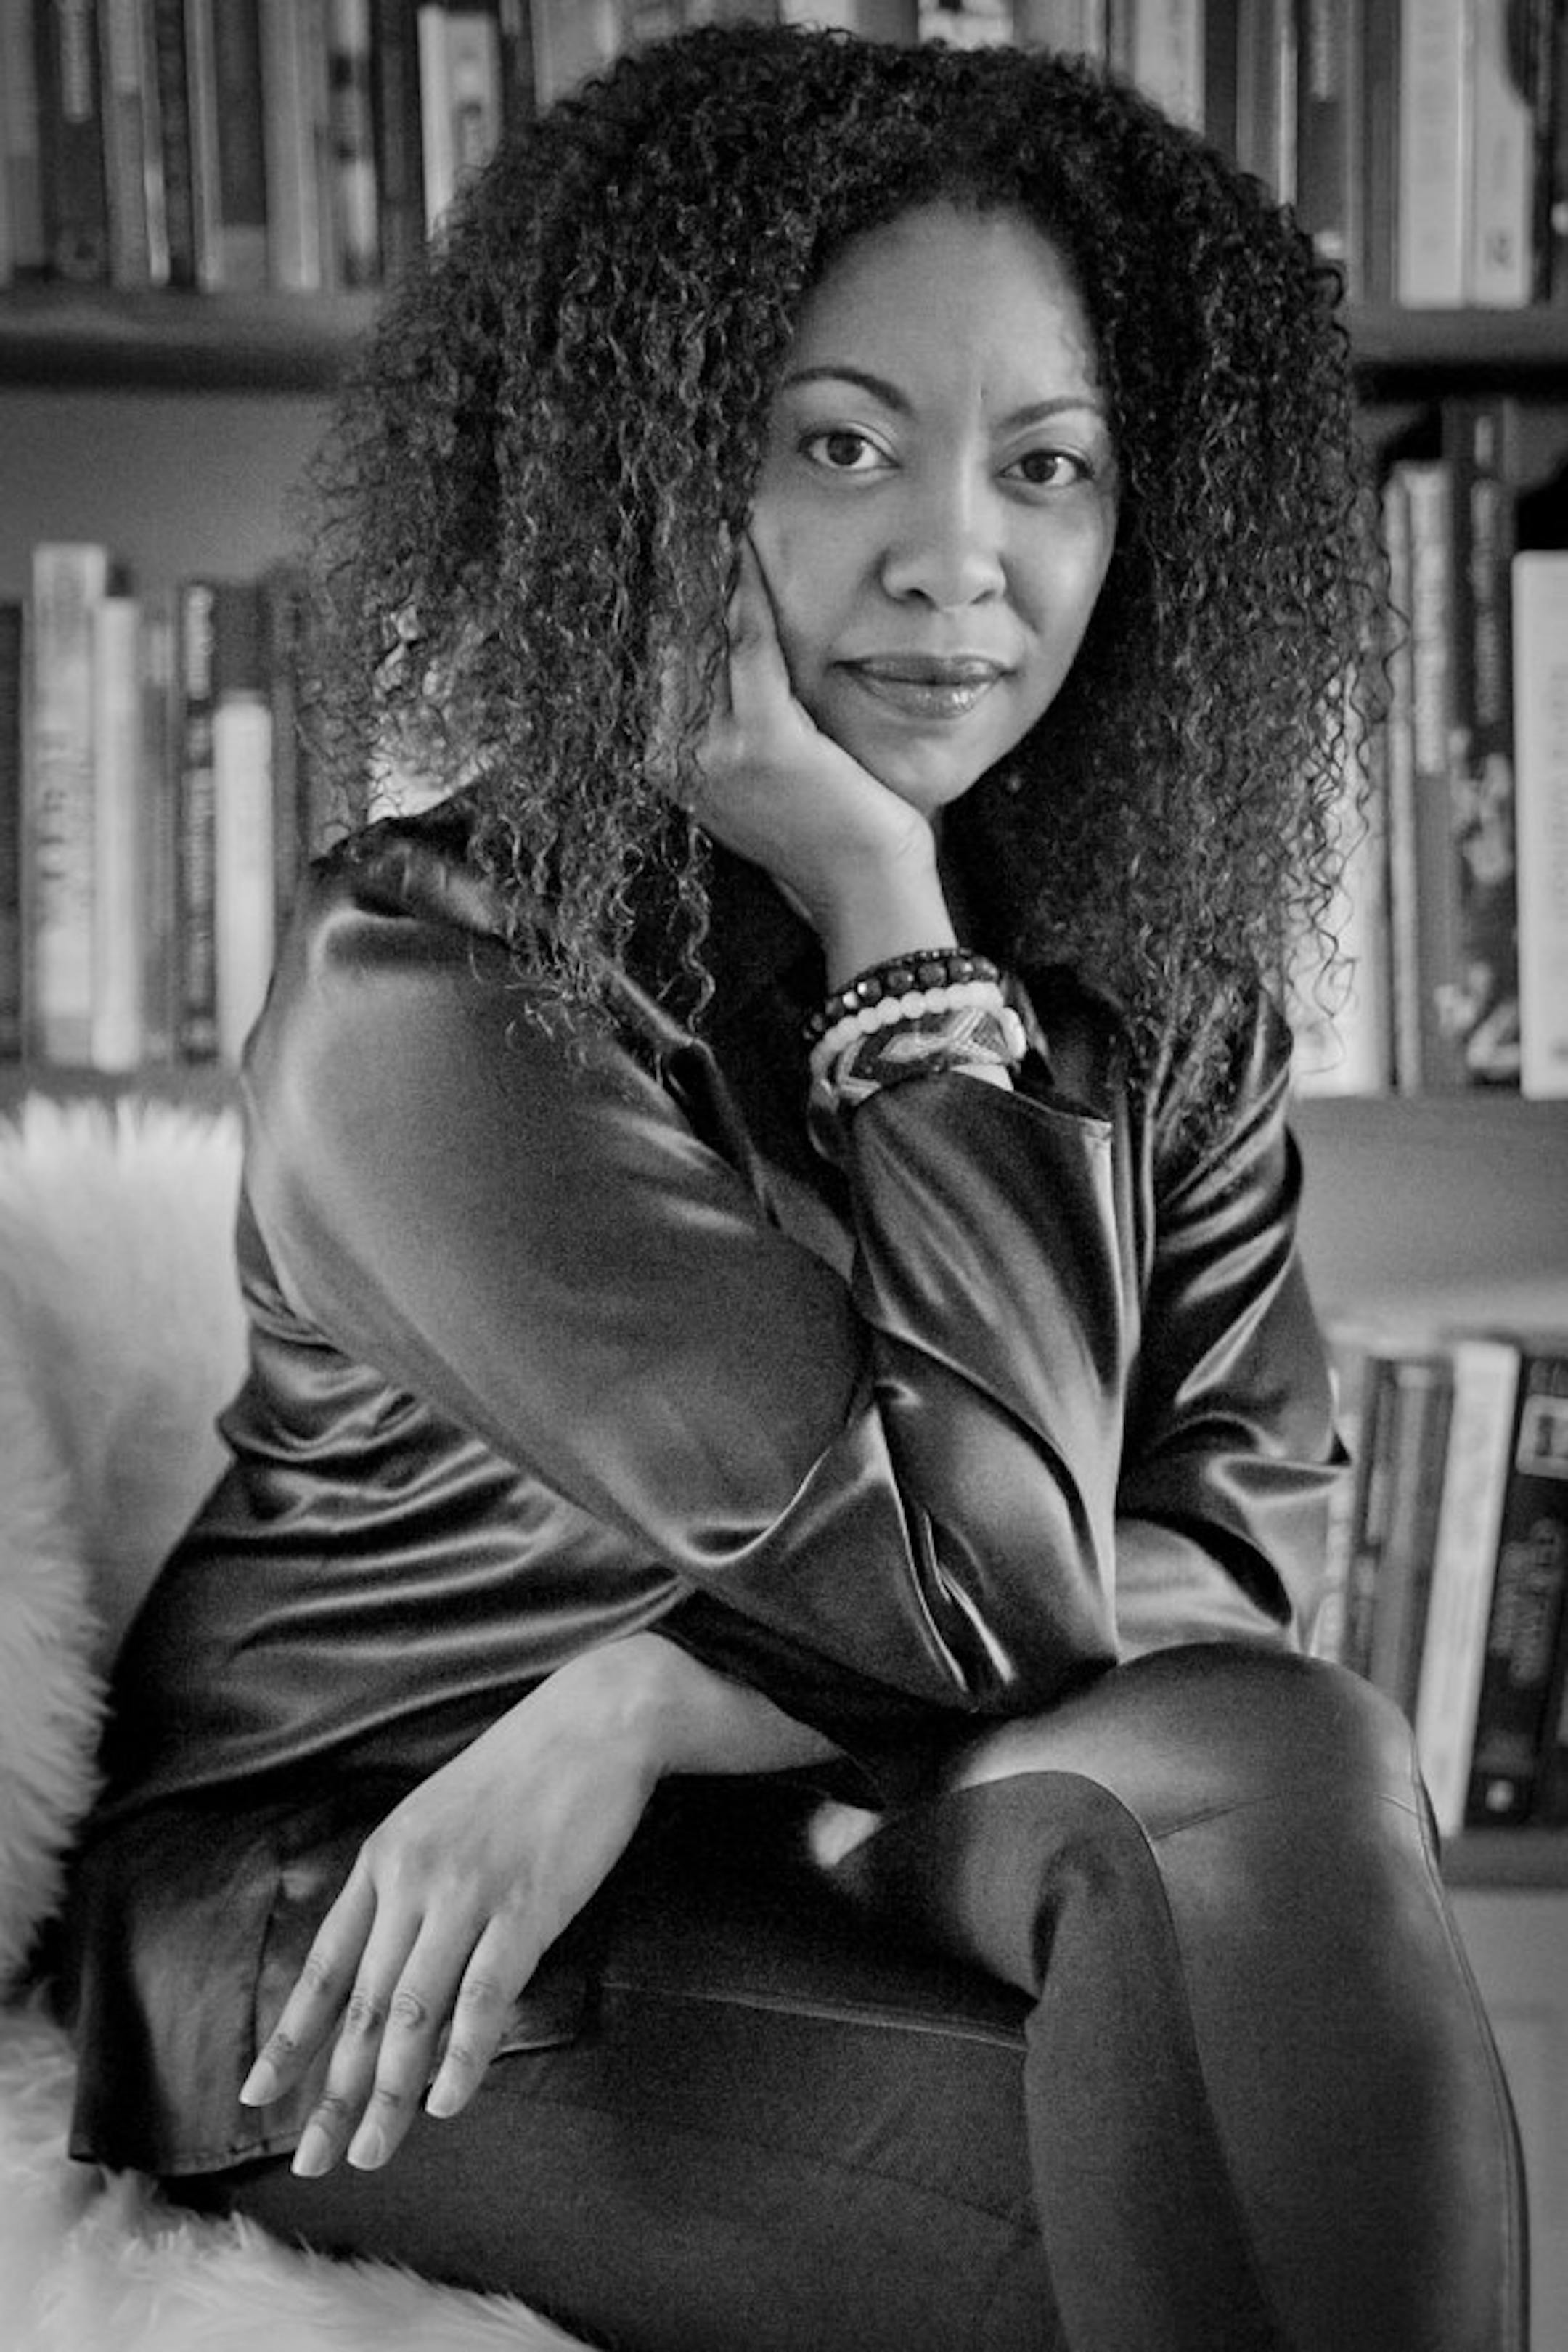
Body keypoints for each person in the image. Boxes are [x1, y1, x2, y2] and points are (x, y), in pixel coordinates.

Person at [57, 24, 1526, 2352]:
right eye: (839, 444)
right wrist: (881, 907)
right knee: (1197, 2218)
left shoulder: (1161, 999)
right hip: (399, 1918)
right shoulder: (436, 976)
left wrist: (658, 1698)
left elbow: (1222, 1564)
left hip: (822, 1822)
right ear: (650, 479)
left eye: (1050, 465)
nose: (960, 559)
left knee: (1287, 1757)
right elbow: (962, 1578)